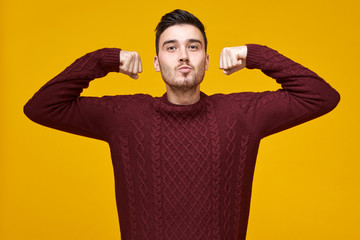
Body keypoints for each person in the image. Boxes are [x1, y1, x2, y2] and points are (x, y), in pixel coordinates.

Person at [24, 9, 340, 240]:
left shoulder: (239, 113)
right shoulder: (126, 116)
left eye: (193, 46)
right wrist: (102, 60)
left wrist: (254, 55)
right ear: (157, 63)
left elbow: (321, 96)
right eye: (171, 47)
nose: (183, 56)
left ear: (205, 59)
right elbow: (41, 107)